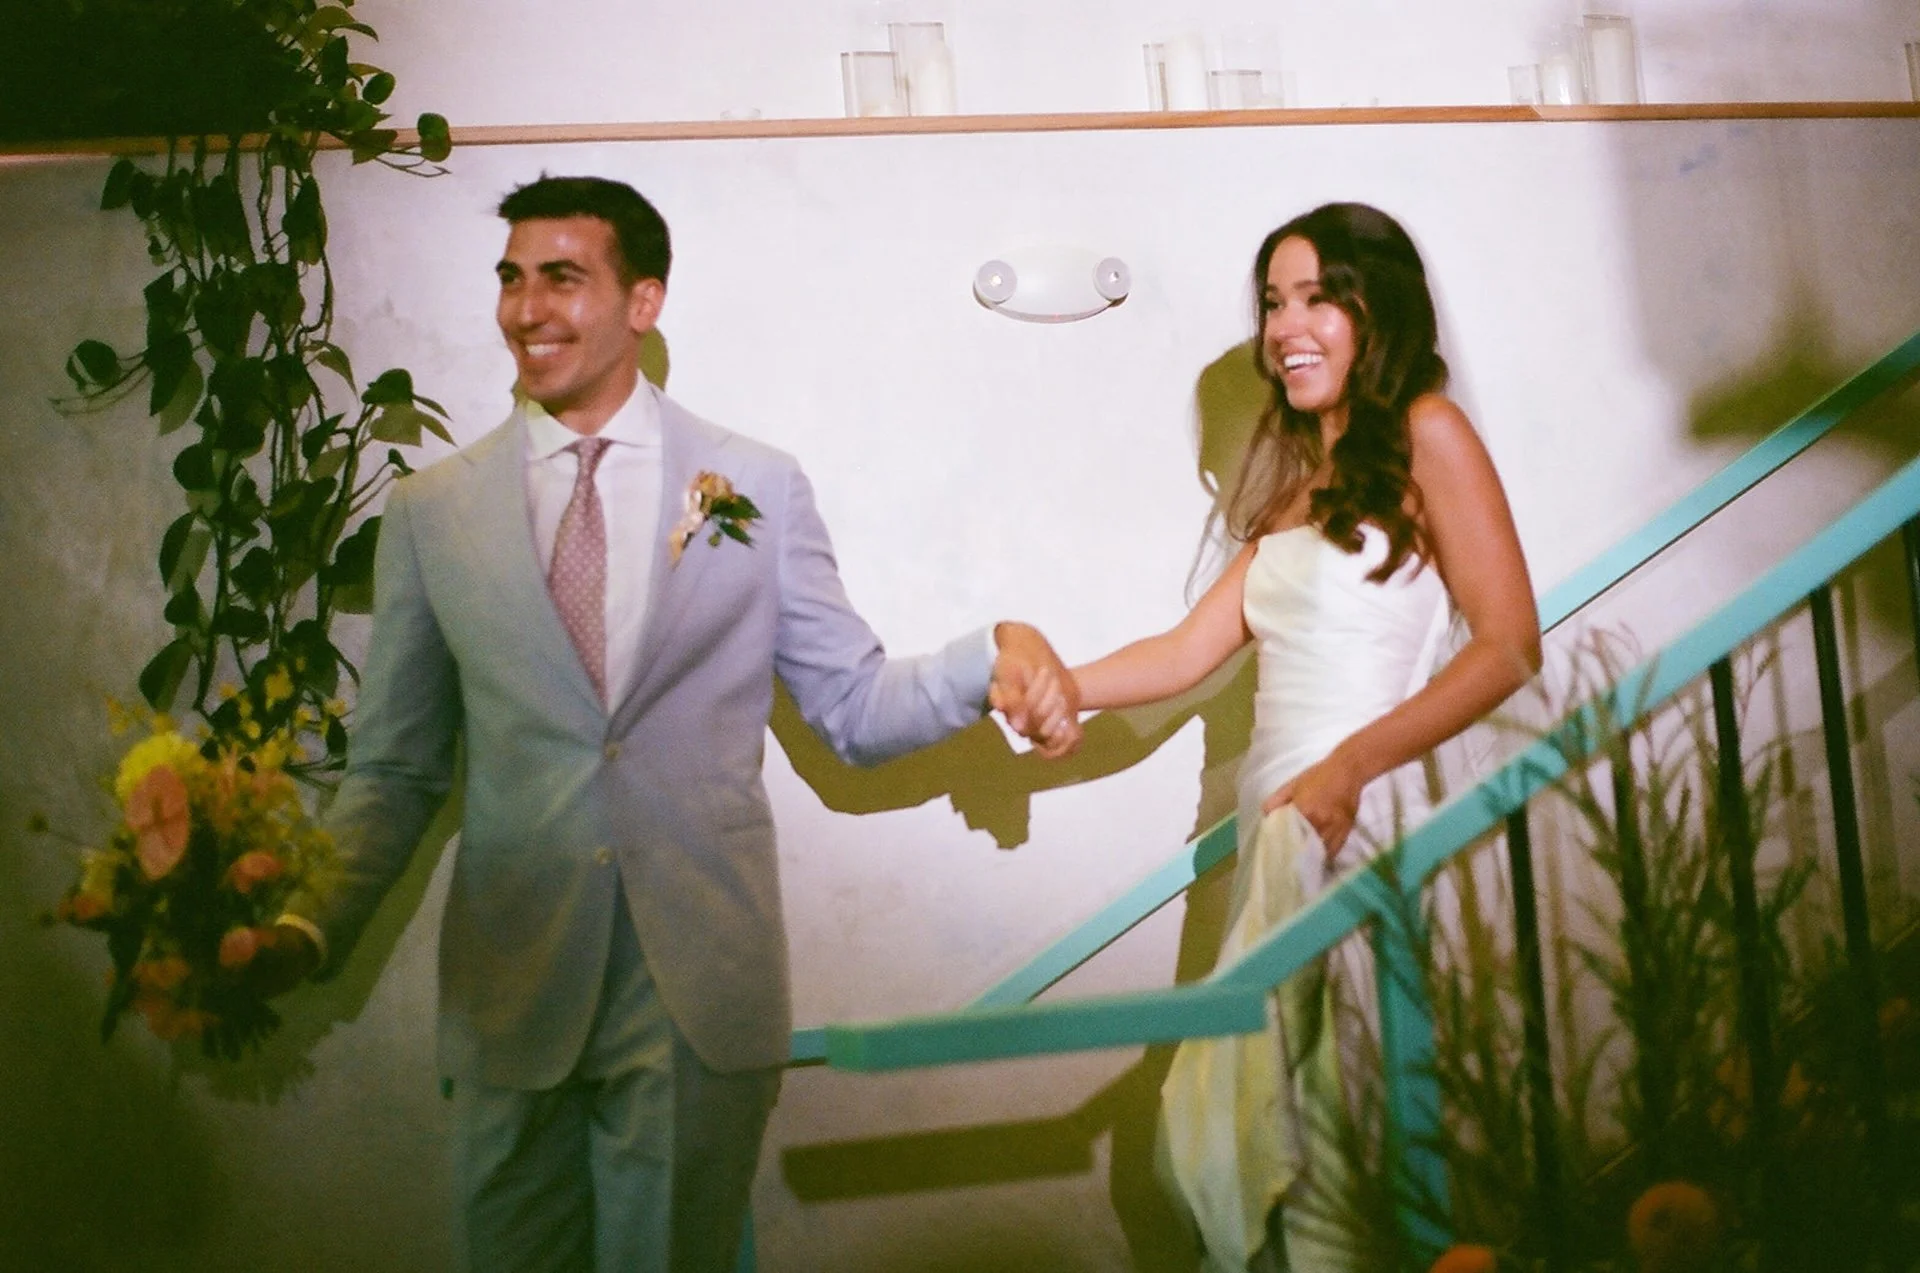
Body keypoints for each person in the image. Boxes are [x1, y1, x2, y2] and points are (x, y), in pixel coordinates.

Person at [252, 174, 1080, 1273]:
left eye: (561, 277)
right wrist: (306, 925)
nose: (526, 308)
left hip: (695, 992)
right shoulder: (430, 514)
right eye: (511, 278)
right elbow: (397, 770)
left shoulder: (751, 487)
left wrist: (993, 654)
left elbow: (851, 704)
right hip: (514, 984)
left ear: (644, 301)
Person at [1063, 203, 1541, 1271]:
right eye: (1275, 301)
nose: (1288, 325)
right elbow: (1186, 653)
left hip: (1360, 817)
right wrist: (1054, 686)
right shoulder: (1295, 491)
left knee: (1350, 1137)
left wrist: (1351, 766)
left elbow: (1508, 644)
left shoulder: (1431, 432)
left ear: (1379, 311)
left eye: (1319, 295)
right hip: (1277, 828)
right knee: (1265, 1135)